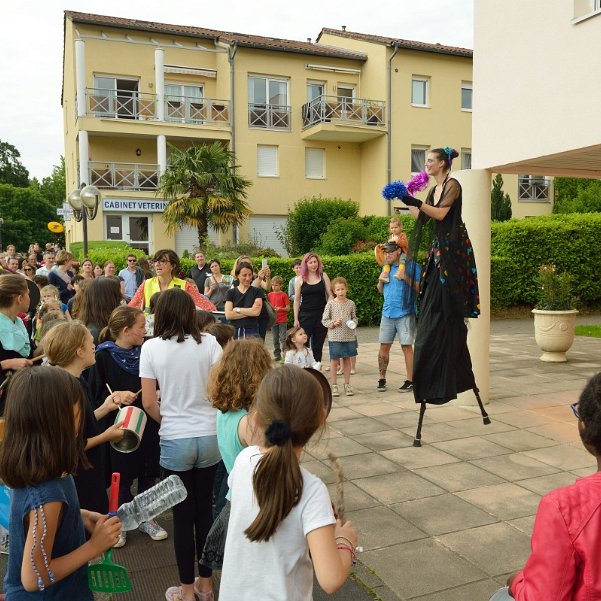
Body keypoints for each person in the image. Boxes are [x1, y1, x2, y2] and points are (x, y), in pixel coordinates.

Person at [219, 365, 359, 600]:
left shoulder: (244, 461)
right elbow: (331, 579)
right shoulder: (312, 491)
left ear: (255, 418)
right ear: (320, 420)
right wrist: (344, 541)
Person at [0, 367, 122, 599]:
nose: (83, 421)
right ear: (57, 423)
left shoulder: (42, 469)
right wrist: (94, 547)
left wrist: (81, 516)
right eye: (78, 415)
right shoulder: (48, 494)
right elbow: (33, 576)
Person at [140, 288, 223, 601]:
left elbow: (149, 402)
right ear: (190, 312)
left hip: (176, 439)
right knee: (205, 512)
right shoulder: (211, 343)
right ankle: (207, 584)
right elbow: (219, 390)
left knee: (182, 517)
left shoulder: (151, 348)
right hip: (210, 435)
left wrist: (171, 421)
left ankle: (187, 591)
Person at [490, 373, 601, 601]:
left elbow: (543, 597)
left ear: (585, 431)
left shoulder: (566, 507)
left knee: (501, 597)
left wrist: (516, 582)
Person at [88, 305, 163, 548]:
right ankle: (120, 521)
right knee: (121, 472)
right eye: (142, 326)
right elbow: (94, 394)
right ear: (126, 330)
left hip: (148, 420)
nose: (146, 330)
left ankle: (147, 517)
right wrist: (116, 396)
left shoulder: (148, 351)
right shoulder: (103, 355)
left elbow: (158, 382)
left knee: (148, 470)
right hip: (119, 425)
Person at [200, 339, 273, 570]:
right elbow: (267, 467)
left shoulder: (225, 414)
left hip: (234, 496)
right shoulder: (250, 422)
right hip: (251, 503)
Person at [44, 321, 127, 515]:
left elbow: (81, 424)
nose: (94, 347)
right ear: (78, 352)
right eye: (91, 344)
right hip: (80, 475)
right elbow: (72, 444)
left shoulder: (72, 380)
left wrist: (104, 408)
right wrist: (106, 436)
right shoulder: (70, 388)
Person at [376, 240, 420, 393]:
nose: (387, 254)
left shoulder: (412, 266)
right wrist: (380, 282)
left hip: (405, 314)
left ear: (399, 251)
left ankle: (410, 380)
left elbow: (419, 288)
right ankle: (382, 379)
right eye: (386, 252)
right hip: (387, 313)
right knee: (383, 346)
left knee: (407, 347)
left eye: (390, 252)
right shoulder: (386, 267)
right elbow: (381, 290)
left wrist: (405, 277)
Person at [129, 249, 216, 313]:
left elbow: (209, 308)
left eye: (162, 261)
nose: (157, 264)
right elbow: (130, 308)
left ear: (173, 266)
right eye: (155, 261)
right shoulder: (147, 284)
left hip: (176, 333)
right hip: (152, 333)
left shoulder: (184, 285)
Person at [294, 252, 332, 364]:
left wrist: (327, 311)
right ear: (306, 264)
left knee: (318, 344)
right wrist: (296, 318)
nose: (313, 264)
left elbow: (330, 294)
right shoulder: (300, 279)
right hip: (305, 315)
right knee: (303, 343)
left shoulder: (323, 276)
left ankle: (317, 367)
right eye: (310, 262)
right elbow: (296, 300)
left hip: (321, 315)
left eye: (315, 262)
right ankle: (304, 366)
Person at [322, 277, 357, 397]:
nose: (341, 291)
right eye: (338, 289)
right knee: (334, 361)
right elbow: (324, 320)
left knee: (347, 360)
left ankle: (347, 384)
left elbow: (354, 317)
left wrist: (354, 323)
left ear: (346, 289)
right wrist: (333, 323)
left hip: (348, 336)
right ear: (334, 291)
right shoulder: (330, 304)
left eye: (343, 289)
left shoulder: (351, 303)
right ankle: (334, 385)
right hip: (335, 337)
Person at [0, 274, 33, 404]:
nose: (29, 298)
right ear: (20, 298)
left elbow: (29, 355)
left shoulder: (18, 322)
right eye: (28, 294)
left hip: (20, 393)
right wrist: (8, 364)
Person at [76, 277, 123, 344]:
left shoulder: (100, 325)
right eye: (116, 295)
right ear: (107, 299)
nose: (120, 298)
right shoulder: (94, 334)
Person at [224, 261, 263, 339]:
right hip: (234, 332)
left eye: (250, 275)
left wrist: (237, 309)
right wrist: (250, 311)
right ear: (238, 275)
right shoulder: (231, 292)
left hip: (252, 332)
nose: (248, 278)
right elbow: (228, 315)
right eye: (244, 275)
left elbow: (256, 312)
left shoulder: (257, 291)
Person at [375, 217, 409, 283]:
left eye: (395, 227)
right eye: (392, 228)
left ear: (400, 227)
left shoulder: (402, 235)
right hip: (394, 254)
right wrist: (383, 245)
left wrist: (397, 240)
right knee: (386, 260)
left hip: (402, 252)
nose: (393, 229)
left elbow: (404, 243)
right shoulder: (391, 236)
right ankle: (386, 274)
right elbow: (389, 245)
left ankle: (401, 272)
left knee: (403, 259)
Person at [267, 276, 289, 361]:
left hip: (282, 320)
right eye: (272, 285)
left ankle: (285, 355)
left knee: (283, 338)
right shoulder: (269, 295)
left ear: (281, 285)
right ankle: (277, 355)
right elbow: (268, 306)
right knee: (275, 338)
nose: (273, 287)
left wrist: (280, 308)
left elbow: (288, 308)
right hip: (273, 320)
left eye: (276, 285)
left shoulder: (284, 295)